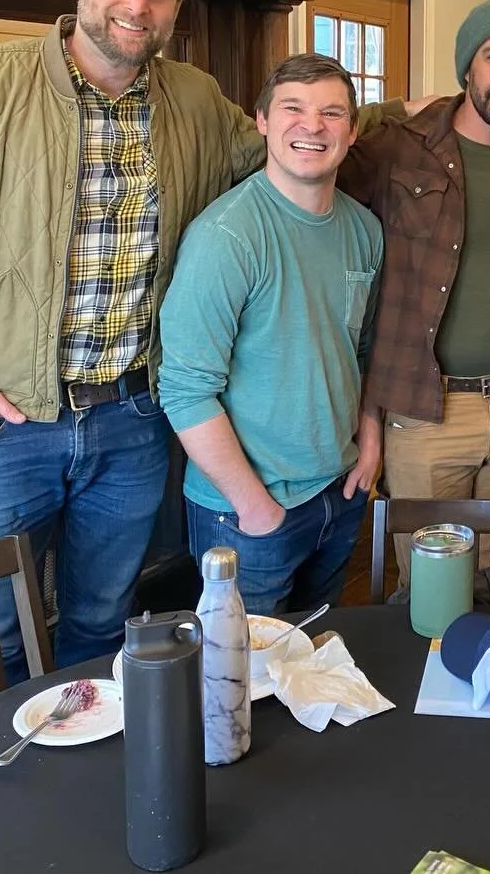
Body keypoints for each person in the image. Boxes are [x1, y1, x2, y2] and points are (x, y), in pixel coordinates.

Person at [0, 0, 390, 694]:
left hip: (131, 422)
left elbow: (294, 144)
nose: (138, 4)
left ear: (175, 6)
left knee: (103, 624)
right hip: (5, 426)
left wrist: (408, 124)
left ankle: (91, 760)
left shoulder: (194, 100)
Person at [338, 0, 490, 583]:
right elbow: (313, 164)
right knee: (434, 592)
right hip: (427, 410)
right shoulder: (398, 145)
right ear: (467, 66)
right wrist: (388, 108)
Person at [158, 54, 383, 615]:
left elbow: (361, 352)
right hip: (245, 513)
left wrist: (370, 444)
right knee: (246, 667)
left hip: (338, 493)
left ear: (353, 130)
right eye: (293, 109)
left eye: (332, 113)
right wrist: (254, 506)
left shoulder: (365, 229)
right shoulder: (226, 237)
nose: (313, 126)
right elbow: (184, 390)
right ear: (261, 120)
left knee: (317, 653)